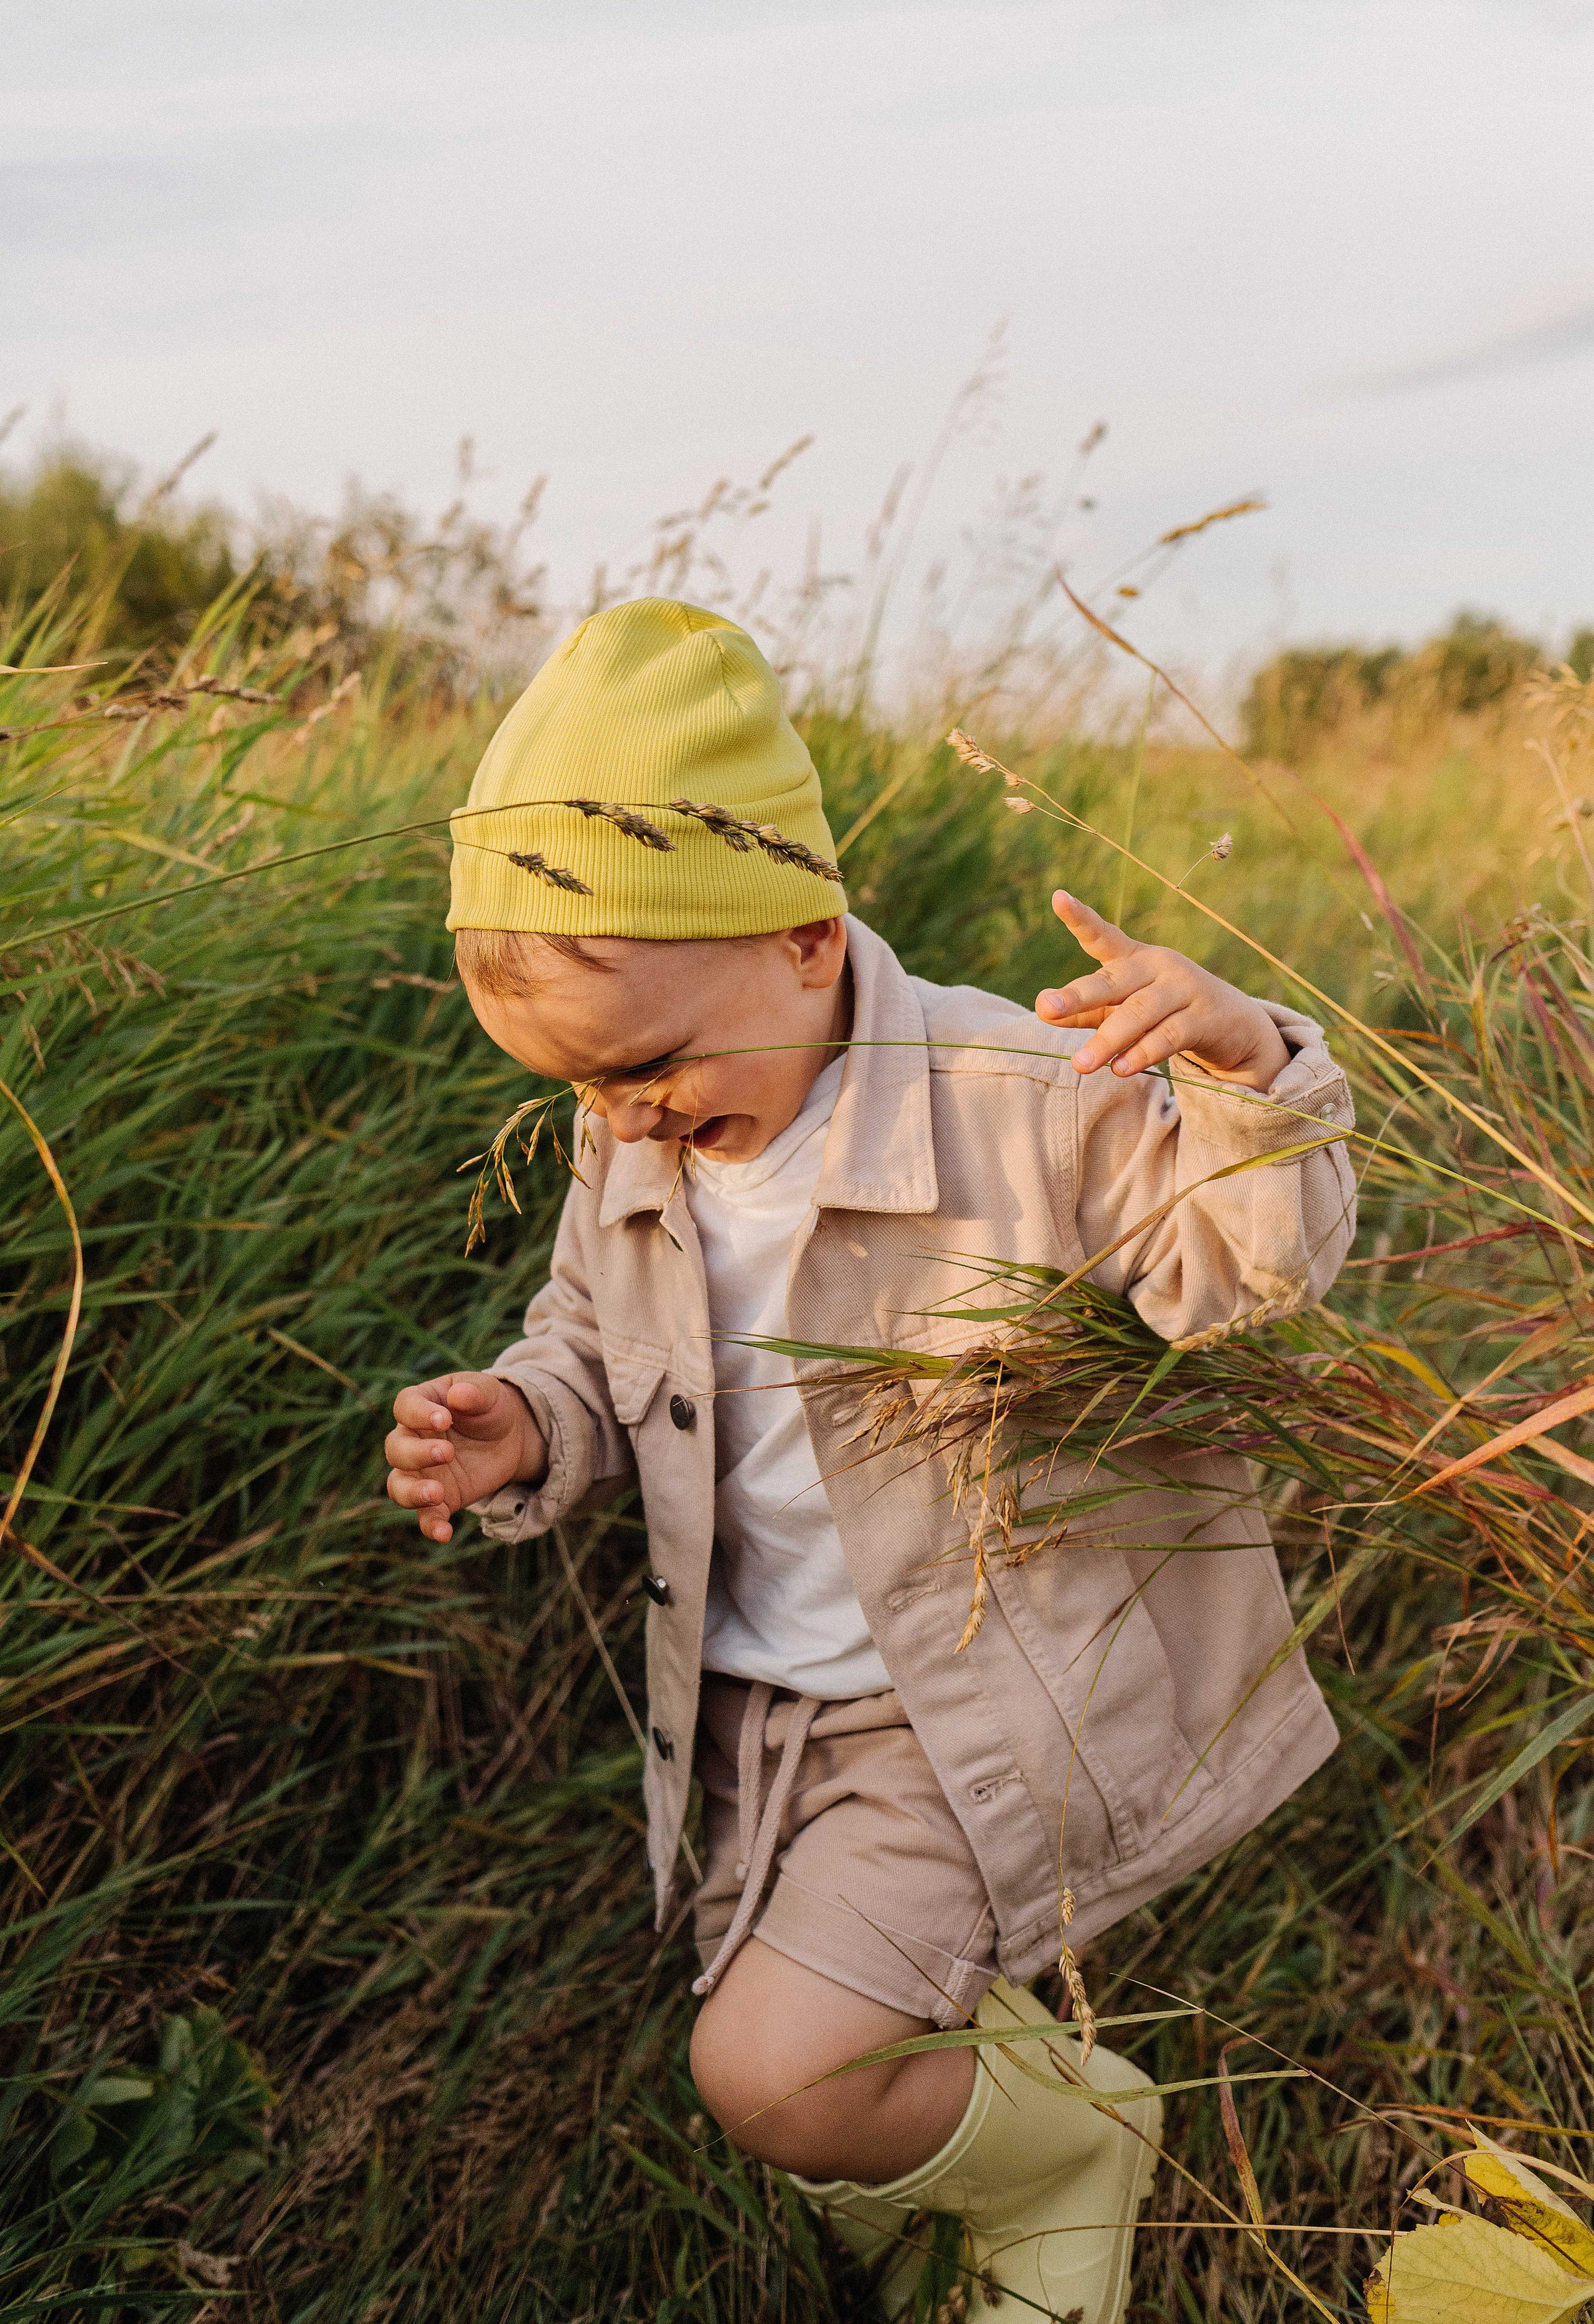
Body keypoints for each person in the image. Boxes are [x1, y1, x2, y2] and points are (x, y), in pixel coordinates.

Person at [383, 597, 1356, 2321]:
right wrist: (531, 1421)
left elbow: (1246, 1277)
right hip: (758, 1706)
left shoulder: (1020, 1098)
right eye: (581, 1094)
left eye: (650, 1069)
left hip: (964, 1692)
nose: (627, 1124)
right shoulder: (640, 1141)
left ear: (810, 942)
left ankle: (1070, 2148)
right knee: (819, 2085)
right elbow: (597, 1344)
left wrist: (1239, 1075)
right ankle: (950, 2232)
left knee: (772, 2074)